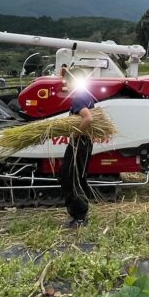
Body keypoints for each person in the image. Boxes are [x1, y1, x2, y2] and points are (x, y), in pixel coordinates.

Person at [61, 81, 99, 229]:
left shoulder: (78, 99)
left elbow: (88, 118)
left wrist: (75, 134)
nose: (65, 86)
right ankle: (81, 215)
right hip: (86, 143)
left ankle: (79, 218)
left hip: (80, 143)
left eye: (67, 83)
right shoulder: (87, 96)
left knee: (70, 177)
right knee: (78, 177)